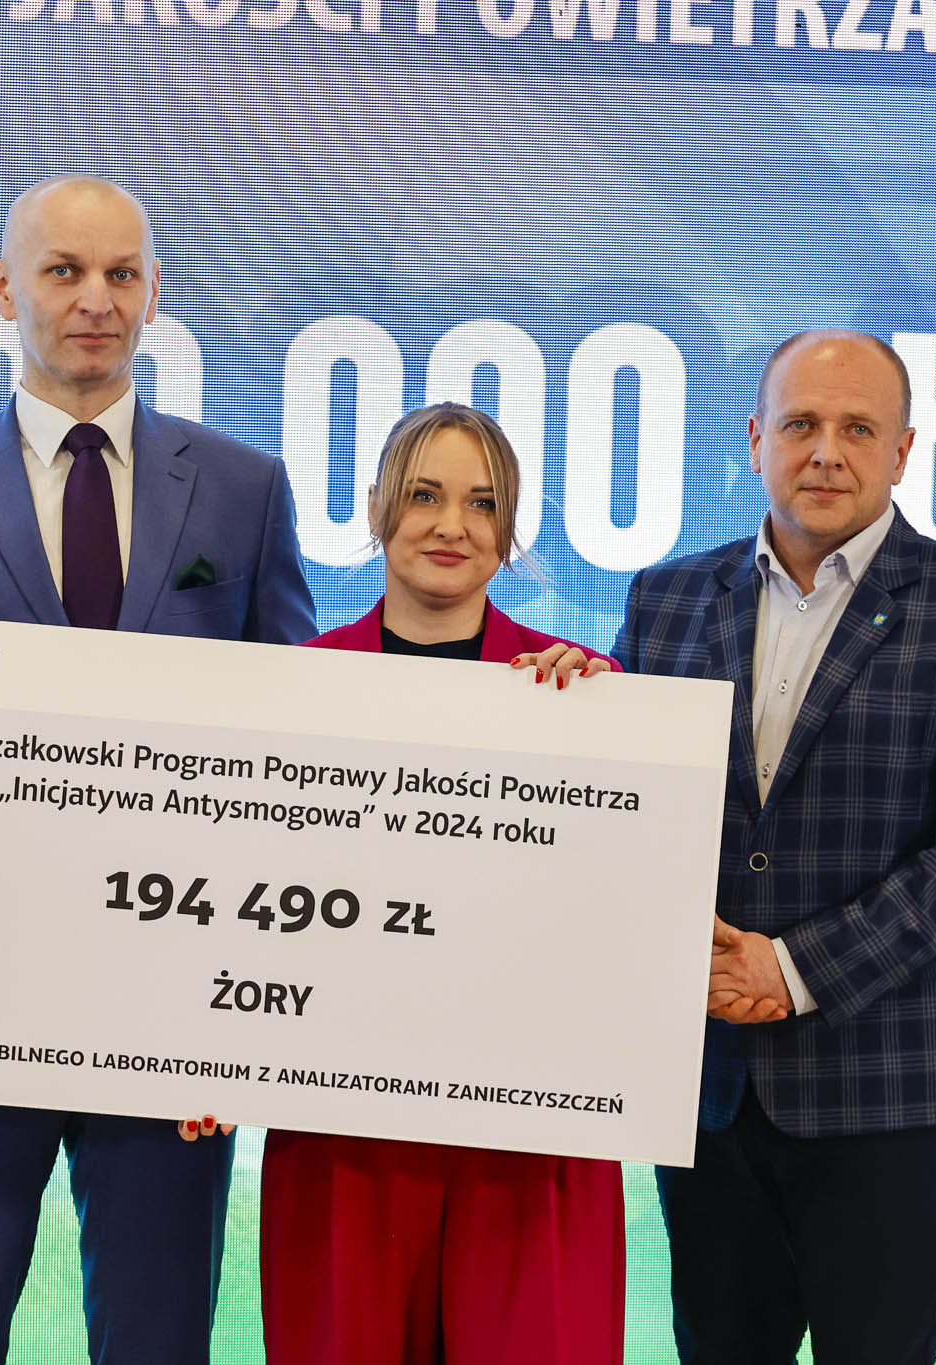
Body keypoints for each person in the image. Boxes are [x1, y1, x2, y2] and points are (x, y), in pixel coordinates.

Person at [0, 175, 316, 1365]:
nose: (93, 300)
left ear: (155, 292)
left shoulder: (246, 491)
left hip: (175, 1017)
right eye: (62, 270)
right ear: (3, 288)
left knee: (156, 1342)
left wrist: (244, 1028)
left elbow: (299, 762)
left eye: (119, 273)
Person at [614, 330, 936, 1364]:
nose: (825, 451)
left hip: (888, 1088)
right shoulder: (664, 599)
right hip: (707, 1090)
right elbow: (626, 814)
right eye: (800, 424)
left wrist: (793, 967)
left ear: (901, 451)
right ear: (755, 439)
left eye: (857, 429)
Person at [254, 400, 626, 1365]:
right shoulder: (294, 689)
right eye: (424, 495)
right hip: (344, 1136)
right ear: (378, 507)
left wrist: (601, 733)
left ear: (510, 529)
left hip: (532, 1142)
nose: (451, 525)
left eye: (481, 502)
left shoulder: (589, 693)